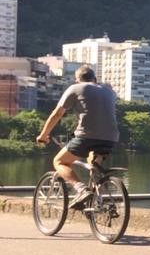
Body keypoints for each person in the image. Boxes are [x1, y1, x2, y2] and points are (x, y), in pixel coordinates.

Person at [36, 64, 120, 208]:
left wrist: (43, 135)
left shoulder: (75, 88)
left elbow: (57, 114)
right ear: (94, 79)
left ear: (77, 80)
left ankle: (81, 189)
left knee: (59, 161)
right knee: (94, 165)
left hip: (86, 137)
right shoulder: (109, 91)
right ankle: (99, 201)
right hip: (111, 137)